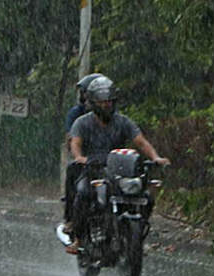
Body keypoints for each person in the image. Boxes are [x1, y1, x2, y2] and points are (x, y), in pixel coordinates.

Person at [65, 76, 170, 254]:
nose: (106, 105)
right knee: (83, 194)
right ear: (92, 103)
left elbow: (141, 142)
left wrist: (156, 157)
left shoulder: (123, 122)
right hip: (92, 169)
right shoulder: (82, 122)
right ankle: (79, 238)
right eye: (101, 102)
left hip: (119, 171)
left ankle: (135, 238)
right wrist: (79, 157)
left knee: (146, 196)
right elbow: (75, 143)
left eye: (109, 101)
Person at [60, 73, 103, 234]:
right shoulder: (77, 114)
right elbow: (71, 138)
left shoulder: (112, 115)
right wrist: (80, 154)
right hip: (87, 159)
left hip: (107, 160)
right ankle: (70, 218)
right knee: (73, 173)